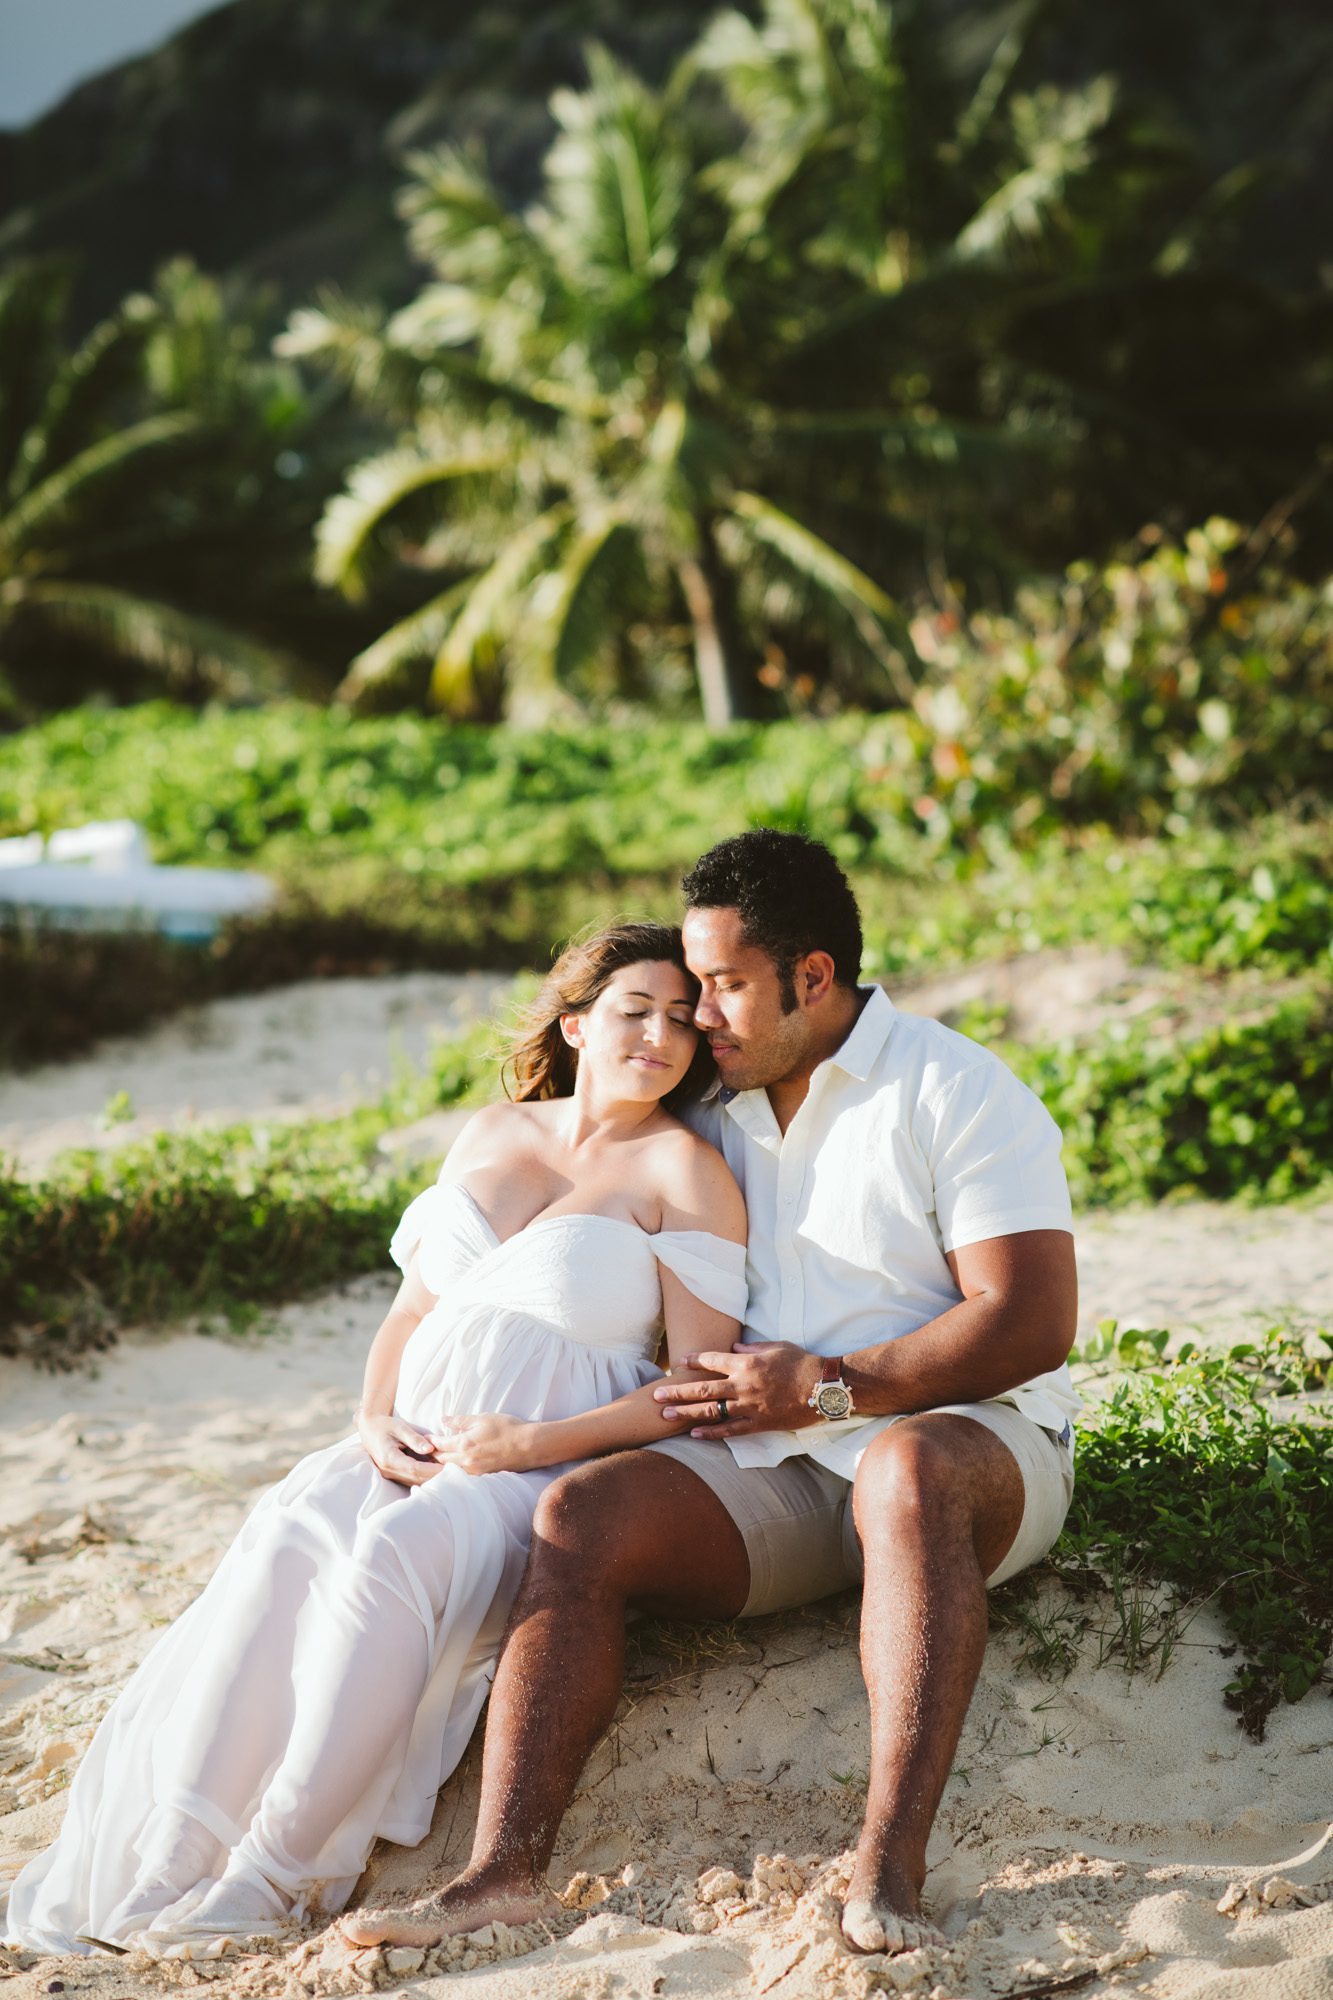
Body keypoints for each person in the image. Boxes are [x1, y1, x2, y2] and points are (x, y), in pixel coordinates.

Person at [345, 829, 1080, 1960]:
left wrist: (831, 1386)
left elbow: (1028, 1318)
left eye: (726, 988)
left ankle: (888, 1867)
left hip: (971, 1444)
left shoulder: (954, 1089)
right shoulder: (705, 1112)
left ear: (814, 976)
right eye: (693, 989)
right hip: (772, 1460)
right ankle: (502, 1871)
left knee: (904, 1466)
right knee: (579, 1515)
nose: (701, 1017)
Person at [1, 923, 746, 1956]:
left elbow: (694, 1388)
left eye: (681, 1018)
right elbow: (410, 1311)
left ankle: (272, 1871)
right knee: (288, 1535)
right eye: (635, 1009)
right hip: (416, 1434)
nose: (661, 1034)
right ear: (577, 1022)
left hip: (548, 1454)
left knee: (395, 1558)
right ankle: (176, 1857)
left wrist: (532, 1441)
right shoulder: (492, 1130)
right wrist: (370, 1416)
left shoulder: (687, 1170)